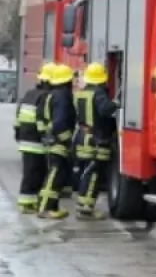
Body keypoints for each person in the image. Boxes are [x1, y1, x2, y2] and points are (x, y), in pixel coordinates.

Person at [74, 62, 119, 219]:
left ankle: (83, 205)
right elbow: (104, 109)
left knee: (87, 171)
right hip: (95, 139)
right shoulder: (98, 93)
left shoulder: (82, 93)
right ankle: (86, 208)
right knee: (93, 174)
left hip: (83, 136)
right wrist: (115, 104)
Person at [37, 63, 77, 220]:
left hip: (50, 140)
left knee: (55, 175)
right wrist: (66, 139)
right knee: (54, 175)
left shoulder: (52, 94)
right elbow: (60, 122)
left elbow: (43, 118)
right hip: (58, 143)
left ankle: (52, 207)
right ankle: (45, 208)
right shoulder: (62, 97)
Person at [14, 64, 53, 214]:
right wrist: (46, 136)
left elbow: (18, 116)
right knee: (36, 173)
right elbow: (41, 119)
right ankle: (26, 203)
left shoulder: (29, 94)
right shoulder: (45, 97)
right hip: (36, 141)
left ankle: (29, 202)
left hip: (25, 139)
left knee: (30, 172)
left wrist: (18, 133)